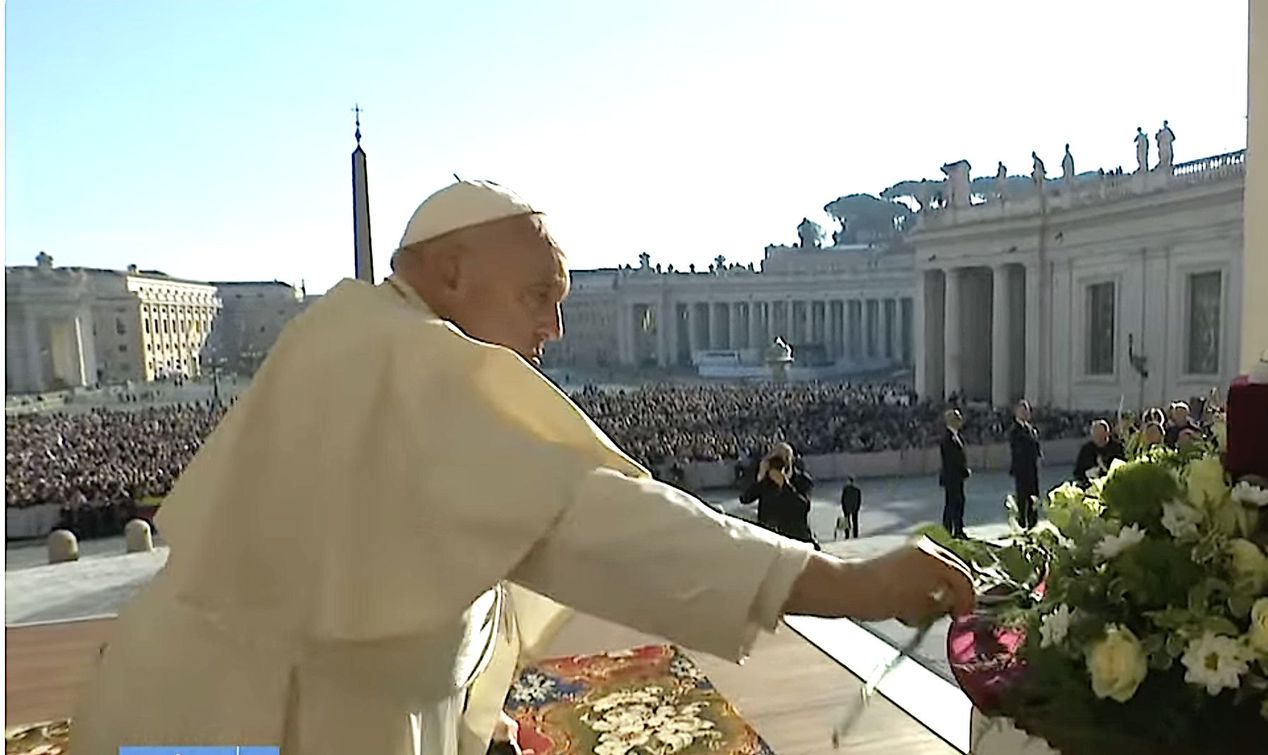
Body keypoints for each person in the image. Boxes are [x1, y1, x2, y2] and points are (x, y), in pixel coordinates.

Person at [71, 179, 975, 755]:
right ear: (453, 272)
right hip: (267, 718)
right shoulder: (419, 360)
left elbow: (449, 564)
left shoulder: (356, 333)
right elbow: (602, 522)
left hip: (197, 700)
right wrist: (854, 584)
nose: (554, 326)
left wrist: (469, 719)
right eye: (540, 295)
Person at [739, 442, 818, 549]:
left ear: (791, 460)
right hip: (770, 539)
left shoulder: (803, 480)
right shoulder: (766, 482)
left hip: (795, 538)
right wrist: (760, 478)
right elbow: (745, 498)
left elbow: (803, 506)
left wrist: (784, 484)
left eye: (784, 458)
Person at [1008, 401, 1042, 529]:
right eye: (1023, 410)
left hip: (1032, 469)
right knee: (1022, 498)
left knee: (1033, 497)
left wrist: (1039, 456)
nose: (1026, 413)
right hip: (1022, 470)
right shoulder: (1015, 430)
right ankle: (1022, 524)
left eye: (1027, 410)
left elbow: (1035, 445)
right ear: (1016, 412)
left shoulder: (1031, 429)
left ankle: (1033, 523)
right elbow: (1019, 448)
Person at [938, 409, 971, 538]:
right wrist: (963, 470)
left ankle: (958, 529)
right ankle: (948, 531)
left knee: (958, 503)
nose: (960, 420)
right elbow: (952, 459)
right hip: (952, 477)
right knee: (952, 504)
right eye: (957, 418)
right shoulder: (947, 438)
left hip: (957, 477)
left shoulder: (956, 436)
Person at [1074, 419, 1126, 484]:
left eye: (1100, 434)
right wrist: (1086, 474)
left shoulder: (1117, 448)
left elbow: (1124, 469)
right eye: (1095, 434)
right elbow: (1078, 472)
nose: (1097, 437)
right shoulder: (1086, 450)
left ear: (1107, 433)